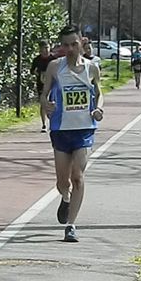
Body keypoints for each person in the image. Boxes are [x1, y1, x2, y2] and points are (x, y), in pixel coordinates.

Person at [41, 25, 103, 242]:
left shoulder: (91, 67)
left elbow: (98, 92)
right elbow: (44, 94)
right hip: (60, 130)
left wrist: (98, 108)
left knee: (77, 176)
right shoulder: (54, 67)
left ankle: (71, 225)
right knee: (62, 181)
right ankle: (65, 198)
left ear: (82, 43)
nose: (70, 49)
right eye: (65, 45)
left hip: (84, 129)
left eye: (74, 44)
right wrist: (46, 105)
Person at [31, 41, 54, 132]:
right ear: (40, 49)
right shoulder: (37, 60)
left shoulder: (53, 59)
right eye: (43, 48)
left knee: (53, 102)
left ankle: (53, 122)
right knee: (43, 103)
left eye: (47, 47)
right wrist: (38, 74)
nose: (46, 50)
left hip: (53, 84)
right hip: (41, 84)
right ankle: (44, 124)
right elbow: (32, 70)